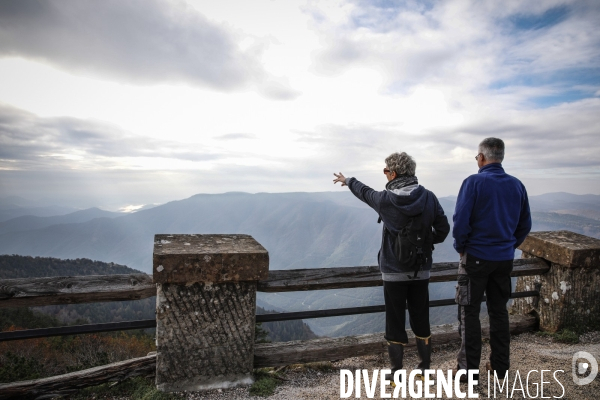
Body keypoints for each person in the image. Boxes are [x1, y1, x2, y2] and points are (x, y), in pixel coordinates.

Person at [333, 152, 449, 380]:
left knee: (395, 320)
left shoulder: (385, 200)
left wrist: (348, 181)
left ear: (393, 173)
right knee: (421, 316)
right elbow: (443, 230)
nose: (384, 174)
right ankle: (424, 369)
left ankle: (396, 372)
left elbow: (364, 193)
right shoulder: (429, 198)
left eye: (385, 171)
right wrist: (424, 241)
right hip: (421, 269)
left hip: (394, 271)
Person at [452, 137, 531, 382]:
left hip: (475, 258)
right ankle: (499, 369)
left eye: (477, 157)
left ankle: (468, 372)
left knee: (469, 313)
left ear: (482, 157)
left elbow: (460, 222)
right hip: (504, 260)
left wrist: (461, 247)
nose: (477, 161)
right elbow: (524, 224)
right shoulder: (517, 185)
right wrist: (509, 245)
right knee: (499, 313)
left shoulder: (473, 182)